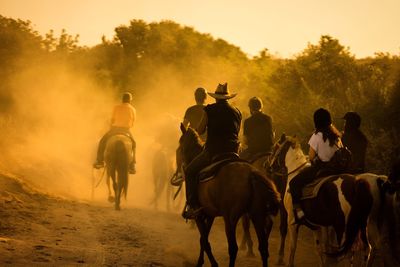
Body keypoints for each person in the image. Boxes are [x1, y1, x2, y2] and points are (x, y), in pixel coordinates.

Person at [183, 83, 242, 219]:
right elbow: (237, 131)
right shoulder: (237, 111)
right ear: (227, 98)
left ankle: (193, 206)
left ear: (215, 98)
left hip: (213, 151)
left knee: (190, 171)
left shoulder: (209, 110)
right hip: (233, 152)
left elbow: (200, 130)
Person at [289, 108, 343, 223]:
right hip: (337, 168)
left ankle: (299, 213)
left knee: (293, 183)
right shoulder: (336, 136)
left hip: (322, 168)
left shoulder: (316, 136)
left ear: (316, 121)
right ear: (329, 120)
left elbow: (312, 157)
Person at [93, 92, 137, 174]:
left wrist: (112, 125)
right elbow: (133, 123)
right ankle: (132, 165)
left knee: (102, 141)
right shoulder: (133, 109)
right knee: (134, 144)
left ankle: (100, 161)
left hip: (115, 129)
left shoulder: (116, 107)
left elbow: (112, 119)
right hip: (126, 130)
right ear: (130, 100)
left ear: (122, 99)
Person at [240, 96, 274, 161]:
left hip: (253, 151)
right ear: (261, 106)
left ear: (250, 108)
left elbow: (245, 140)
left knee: (238, 161)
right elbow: (271, 135)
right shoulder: (268, 118)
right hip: (268, 150)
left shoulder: (247, 121)